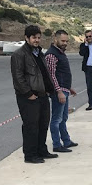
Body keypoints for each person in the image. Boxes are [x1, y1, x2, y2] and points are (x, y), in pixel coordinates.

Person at [11, 25, 58, 164]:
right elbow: (18, 77)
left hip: (42, 95)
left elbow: (44, 73)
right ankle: (30, 155)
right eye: (34, 38)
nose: (37, 40)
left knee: (43, 124)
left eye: (38, 37)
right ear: (26, 38)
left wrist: (49, 89)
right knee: (31, 126)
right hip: (29, 97)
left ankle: (41, 150)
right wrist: (28, 93)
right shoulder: (19, 55)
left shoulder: (39, 53)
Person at [45, 29, 78, 153]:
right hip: (58, 92)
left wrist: (69, 88)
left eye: (66, 41)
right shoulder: (51, 55)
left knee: (63, 118)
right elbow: (51, 75)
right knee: (56, 119)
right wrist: (59, 91)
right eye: (62, 41)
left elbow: (61, 74)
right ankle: (57, 144)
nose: (65, 43)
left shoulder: (60, 53)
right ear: (55, 39)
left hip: (64, 90)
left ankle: (66, 141)